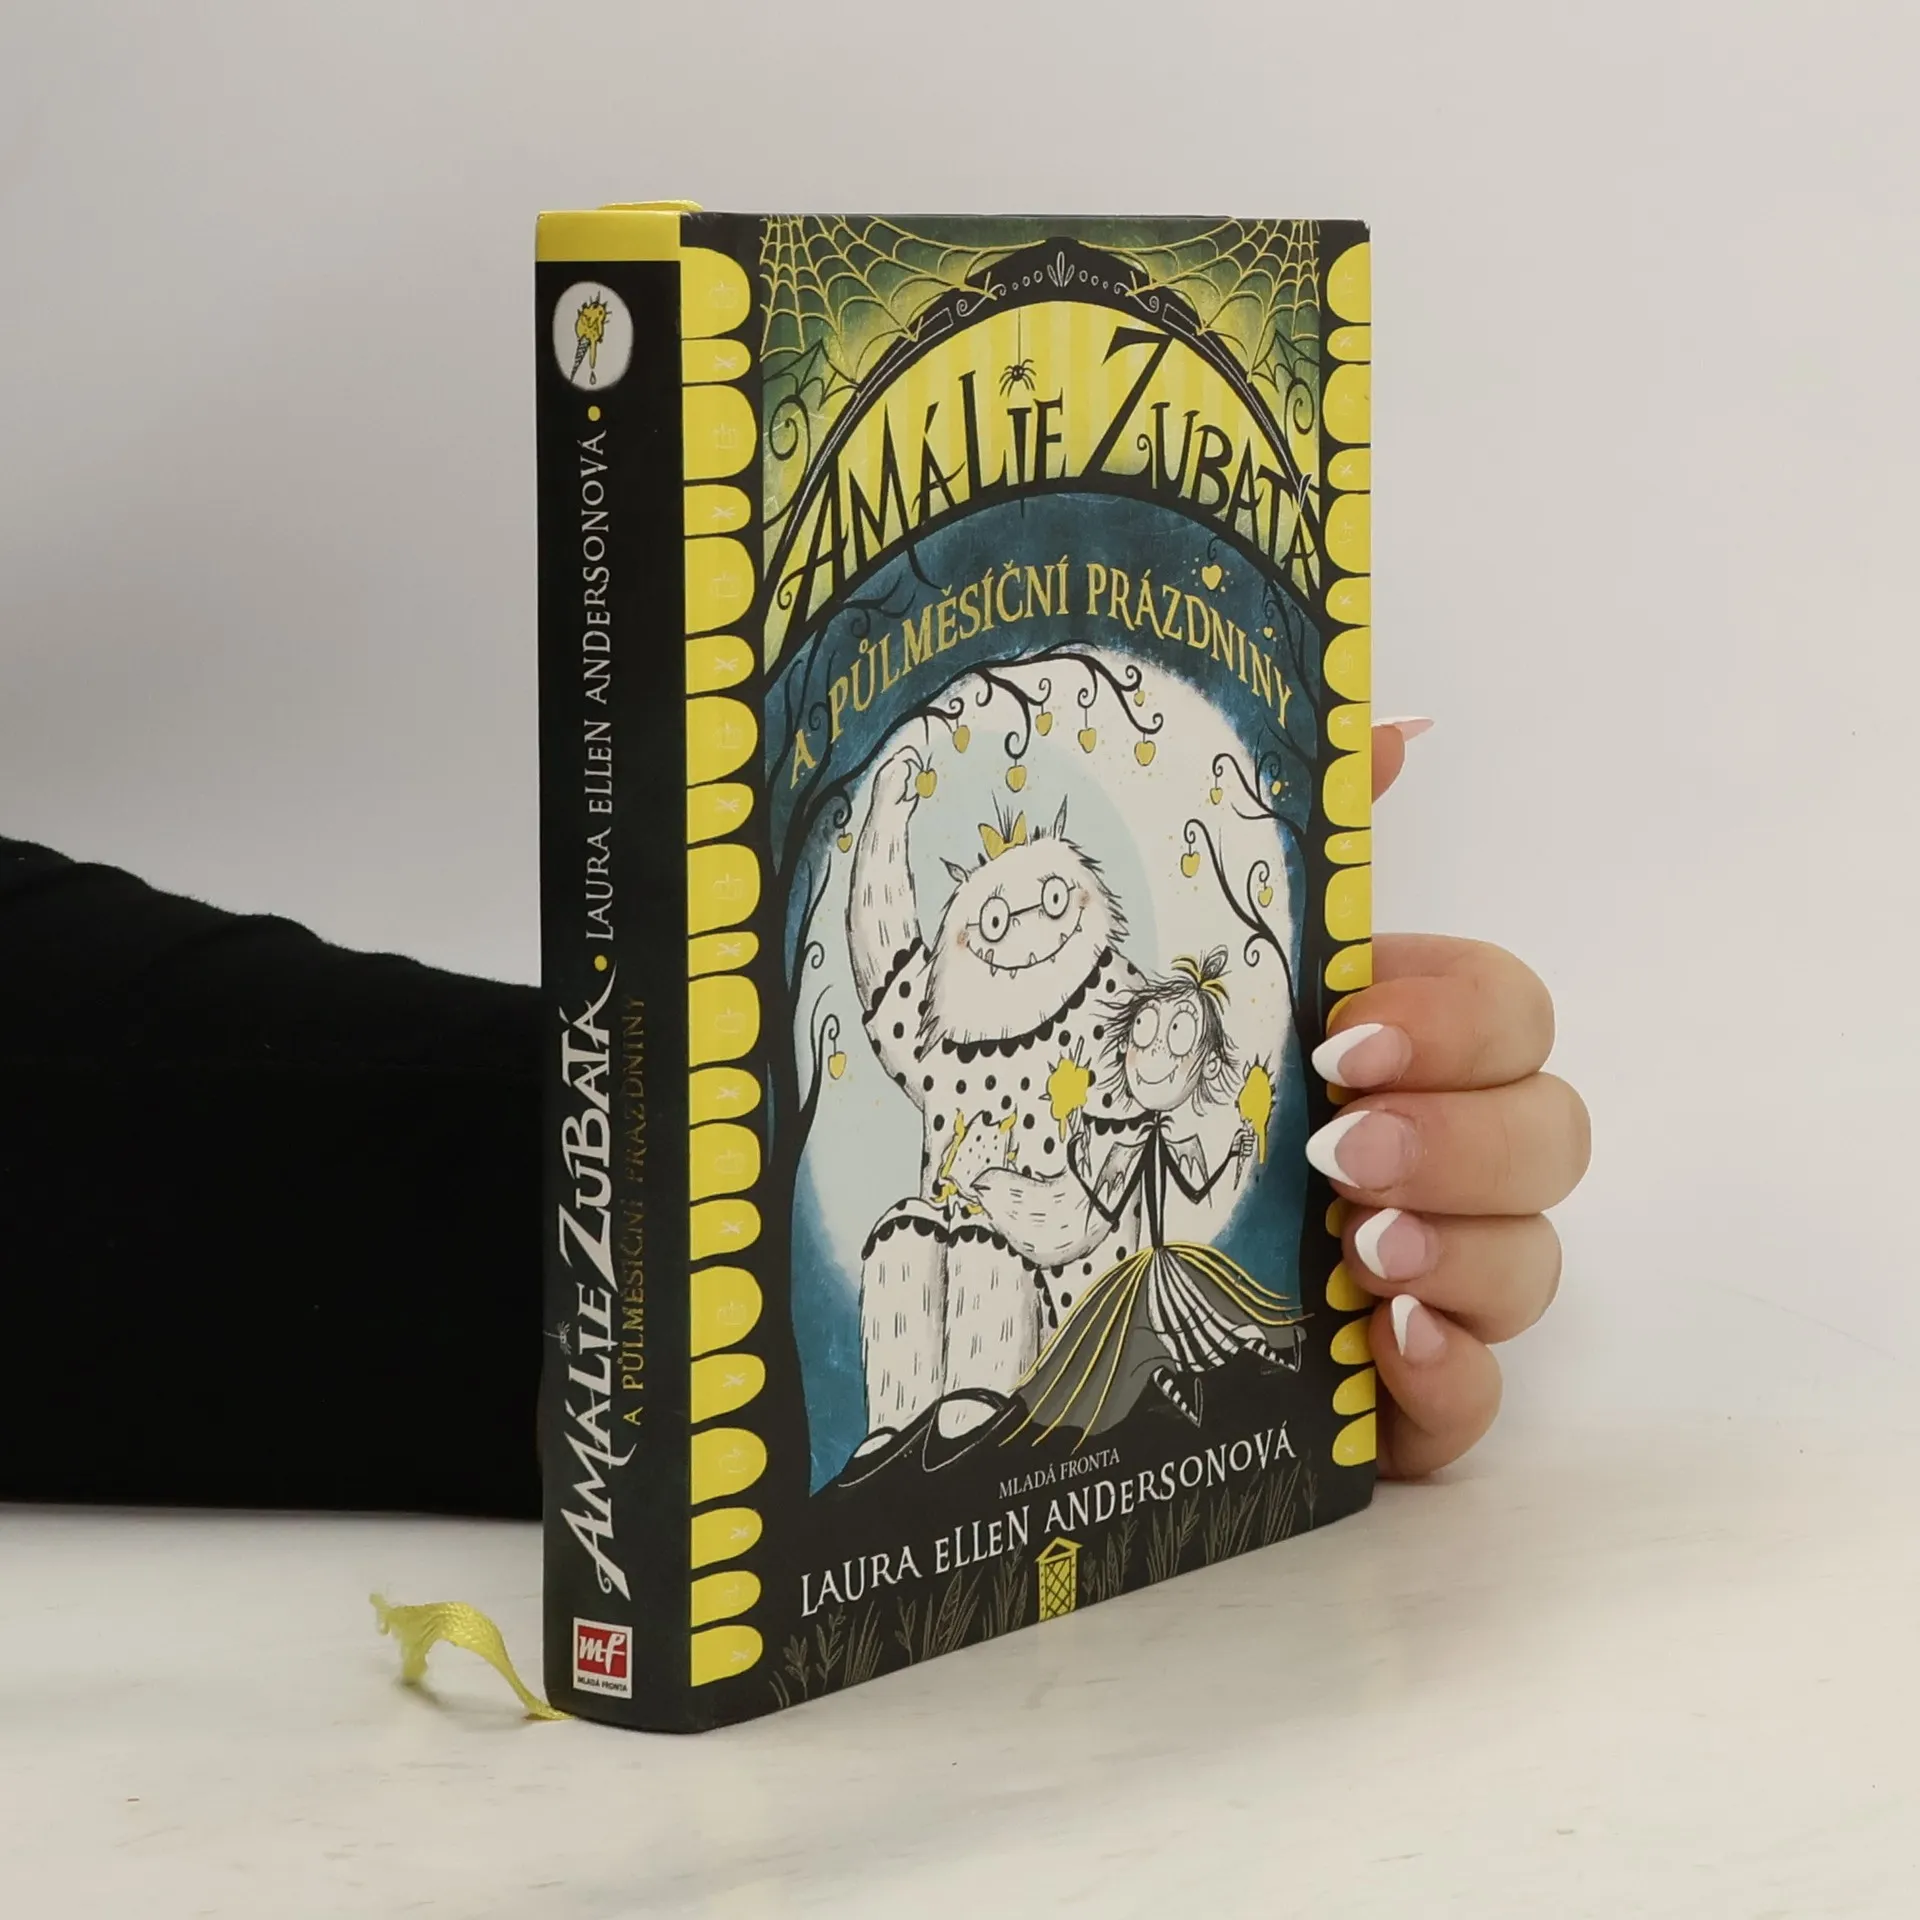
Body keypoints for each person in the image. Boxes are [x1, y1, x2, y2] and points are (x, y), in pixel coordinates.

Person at [0, 719, 1590, 1511]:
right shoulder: (932, 1029)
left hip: (1078, 1280)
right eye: (998, 907)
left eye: (1053, 901)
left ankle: (977, 1410)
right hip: (946, 1256)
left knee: (1010, 1274)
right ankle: (927, 1414)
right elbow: (890, 950)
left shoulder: (1113, 1028)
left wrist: (637, 1198)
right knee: (914, 1258)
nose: (1020, 919)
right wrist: (888, 822)